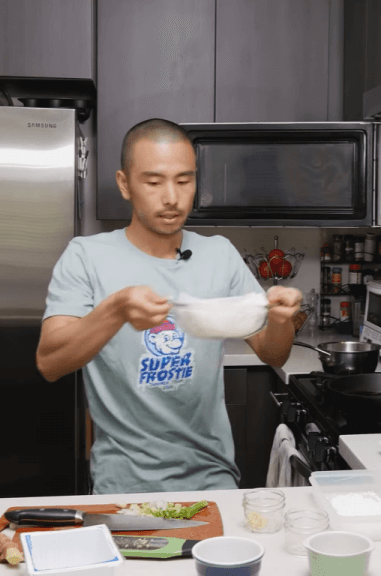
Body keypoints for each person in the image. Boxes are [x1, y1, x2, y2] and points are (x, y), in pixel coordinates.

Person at [35, 118, 301, 495]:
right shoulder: (86, 257)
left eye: (184, 180)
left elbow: (274, 353)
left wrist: (280, 319)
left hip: (213, 479)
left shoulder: (219, 255)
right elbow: (50, 363)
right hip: (122, 487)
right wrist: (117, 309)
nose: (172, 198)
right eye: (154, 181)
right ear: (125, 184)